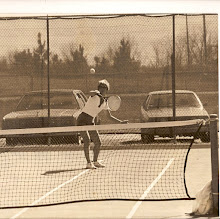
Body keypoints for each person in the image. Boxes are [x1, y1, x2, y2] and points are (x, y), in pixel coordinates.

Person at [77, 79, 126, 169]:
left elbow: (109, 116)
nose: (102, 89)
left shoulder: (105, 102)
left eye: (104, 88)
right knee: (87, 140)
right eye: (100, 87)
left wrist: (120, 122)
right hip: (82, 119)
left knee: (98, 142)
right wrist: (95, 92)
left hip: (91, 121)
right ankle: (88, 163)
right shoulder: (94, 94)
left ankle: (95, 161)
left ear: (107, 90)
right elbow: (90, 92)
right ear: (98, 88)